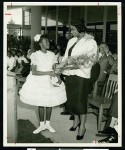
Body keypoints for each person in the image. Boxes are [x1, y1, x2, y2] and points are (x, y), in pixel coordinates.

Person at [56, 19, 98, 140]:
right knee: (72, 100)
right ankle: (76, 121)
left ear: (80, 29)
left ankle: (82, 127)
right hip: (69, 73)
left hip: (81, 74)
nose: (71, 32)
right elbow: (66, 56)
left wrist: (71, 62)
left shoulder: (90, 41)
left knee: (80, 101)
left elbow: (91, 58)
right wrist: (60, 65)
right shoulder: (71, 40)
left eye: (73, 29)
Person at [19, 34, 67, 134]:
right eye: (46, 41)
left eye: (48, 41)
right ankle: (41, 125)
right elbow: (34, 72)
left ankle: (48, 124)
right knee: (41, 103)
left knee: (49, 102)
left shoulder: (52, 54)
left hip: (50, 79)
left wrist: (58, 77)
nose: (48, 43)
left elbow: (54, 69)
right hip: (39, 80)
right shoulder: (35, 55)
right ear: (40, 44)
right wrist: (48, 73)